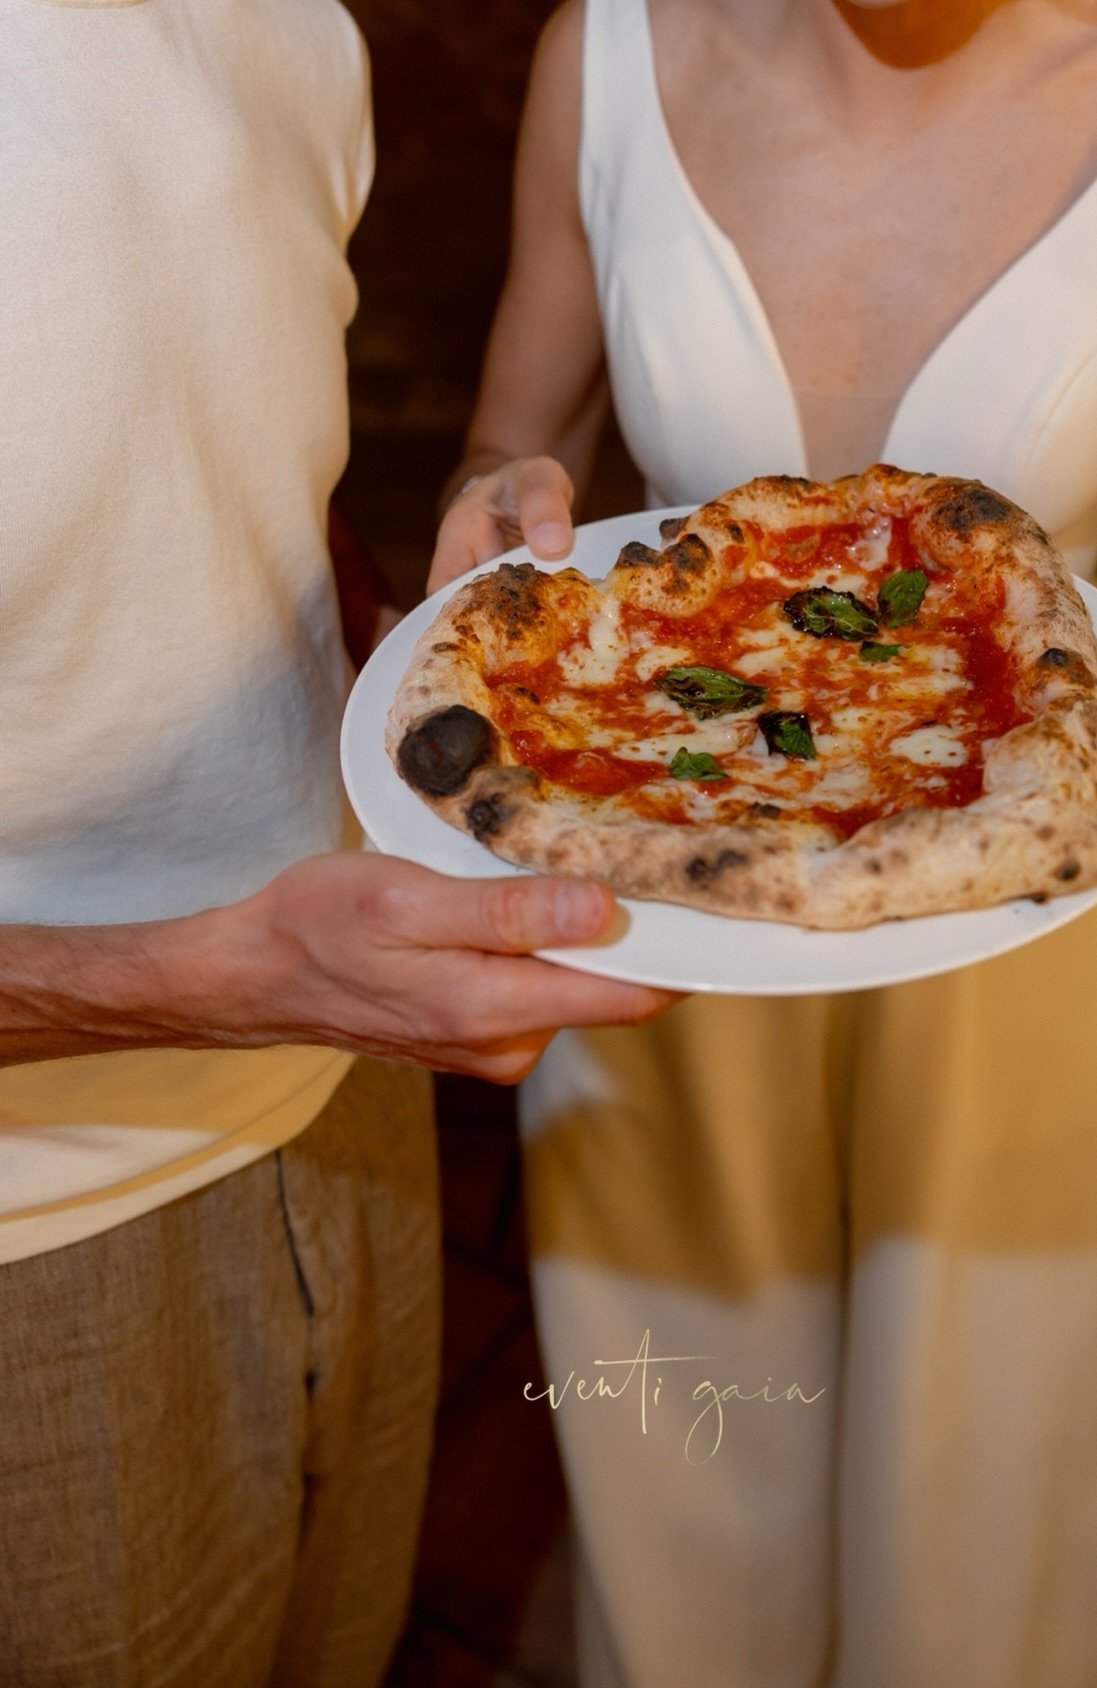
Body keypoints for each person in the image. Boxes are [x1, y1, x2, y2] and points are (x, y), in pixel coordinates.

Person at [430, 0, 1097, 1683]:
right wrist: (490, 508)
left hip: (1021, 889)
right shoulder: (608, 48)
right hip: (648, 872)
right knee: (677, 1453)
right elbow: (508, 456)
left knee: (975, 1480)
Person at [0, 0, 671, 1681]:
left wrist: (439, 601)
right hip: (40, 1229)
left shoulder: (298, 25)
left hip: (348, 1080)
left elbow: (211, 508)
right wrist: (175, 982)